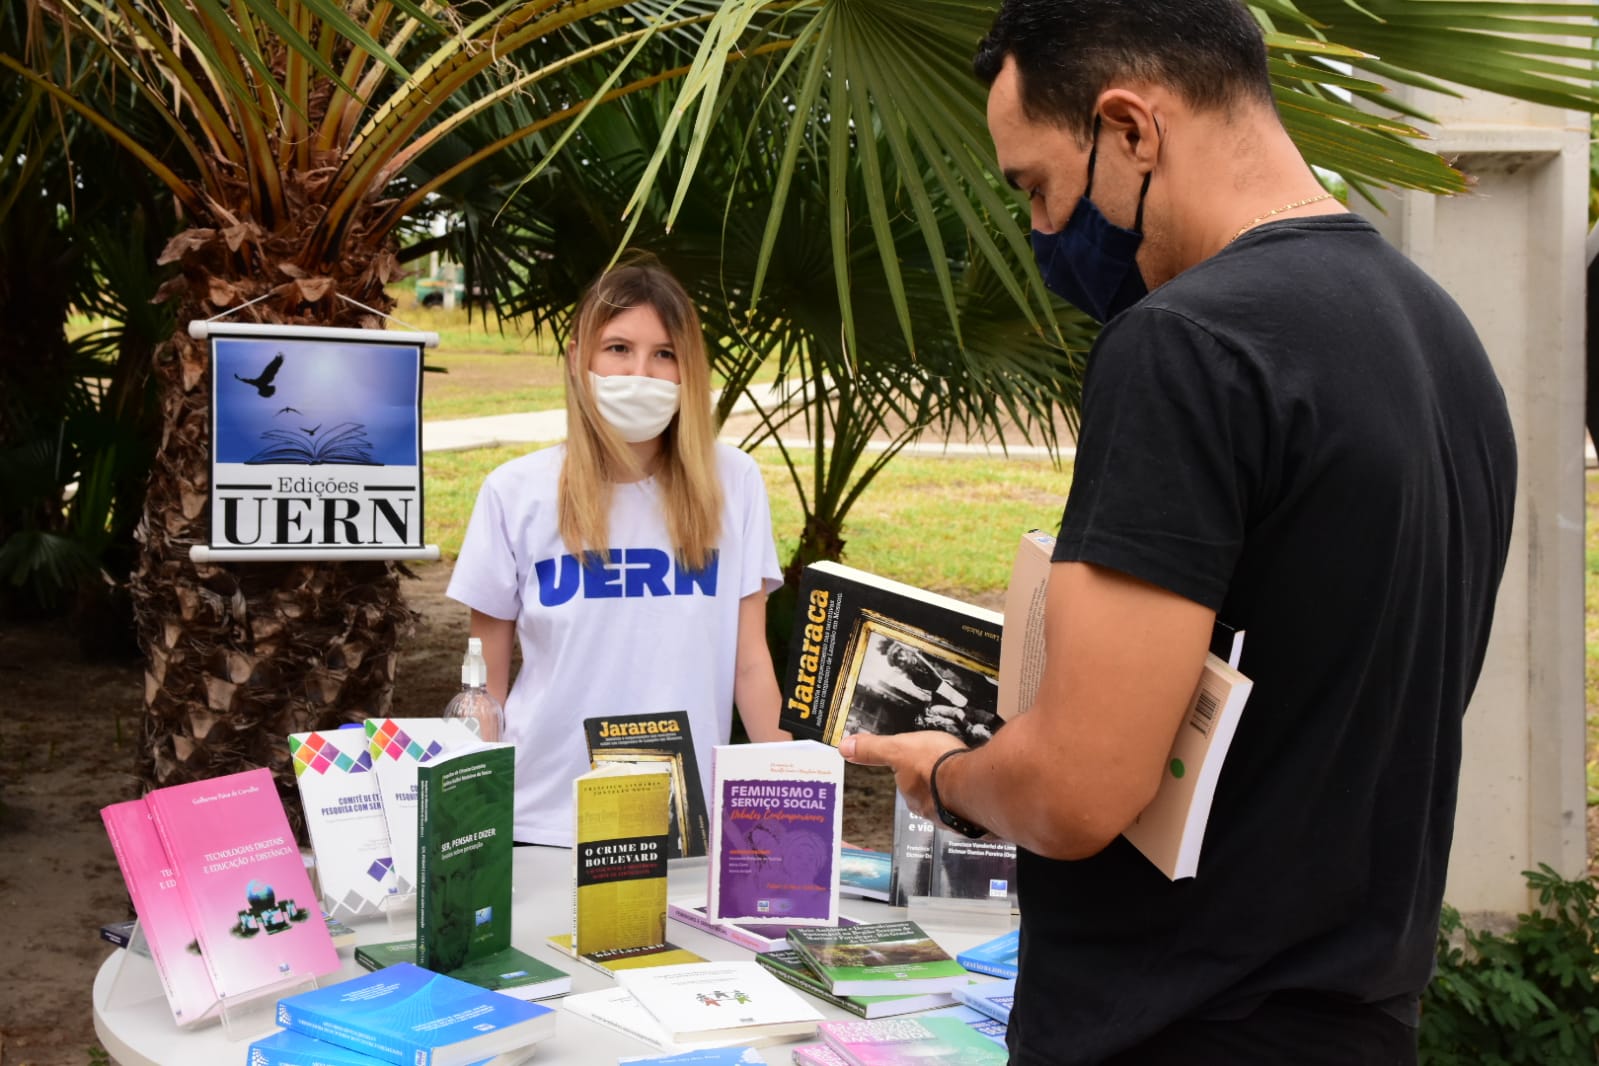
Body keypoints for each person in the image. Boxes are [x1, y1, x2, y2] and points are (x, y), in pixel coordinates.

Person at [841, 2, 1518, 1064]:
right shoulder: (1445, 340)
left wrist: (950, 774)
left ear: (1130, 130)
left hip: (1175, 1025)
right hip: (1363, 1017)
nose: (1042, 233)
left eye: (1037, 187)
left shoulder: (1185, 344)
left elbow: (1077, 787)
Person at [447, 256, 789, 847]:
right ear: (580, 357)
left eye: (664, 354)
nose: (641, 372)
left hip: (682, 818)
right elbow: (487, 687)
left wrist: (793, 793)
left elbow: (750, 662)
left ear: (689, 369)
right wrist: (468, 811)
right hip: (544, 818)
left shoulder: (734, 483)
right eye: (618, 349)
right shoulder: (516, 491)